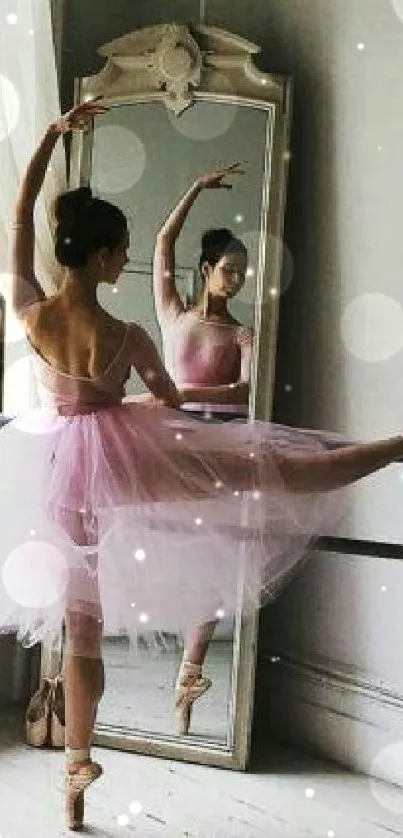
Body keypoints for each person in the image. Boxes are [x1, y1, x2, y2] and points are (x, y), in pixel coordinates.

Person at [3, 100, 403, 831]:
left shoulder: (32, 313)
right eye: (120, 249)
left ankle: (75, 776)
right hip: (124, 453)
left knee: (81, 629)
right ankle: (393, 447)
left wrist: (50, 141)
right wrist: (183, 406)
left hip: (57, 465)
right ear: (97, 257)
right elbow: (167, 402)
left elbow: (19, 219)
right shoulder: (124, 334)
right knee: (269, 470)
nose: (126, 259)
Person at [153, 169, 253, 734]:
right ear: (208, 268)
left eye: (242, 271)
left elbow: (244, 391)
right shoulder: (174, 313)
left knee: (216, 563)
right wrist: (193, 187)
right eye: (228, 269)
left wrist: (183, 392)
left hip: (219, 448)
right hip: (172, 444)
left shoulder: (243, 335)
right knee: (172, 555)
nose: (236, 279)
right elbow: (164, 244)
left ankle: (189, 675)